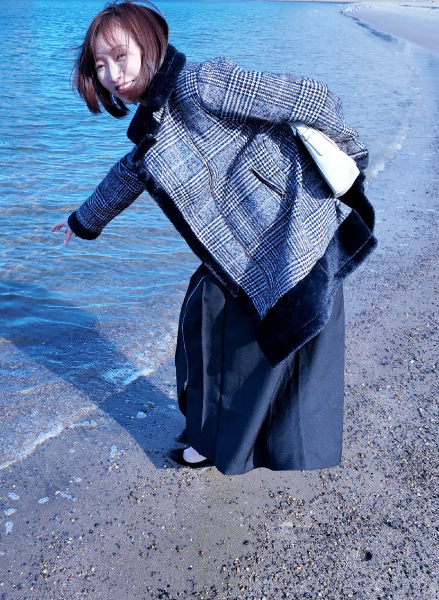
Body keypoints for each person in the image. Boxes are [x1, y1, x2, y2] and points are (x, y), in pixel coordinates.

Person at [52, 0, 376, 475]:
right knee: (206, 323)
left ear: (150, 45)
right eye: (100, 65)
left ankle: (217, 442)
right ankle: (214, 436)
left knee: (220, 327)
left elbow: (312, 97)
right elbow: (129, 175)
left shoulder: (203, 84)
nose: (112, 74)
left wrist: (350, 158)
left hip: (292, 227)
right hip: (247, 246)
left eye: (120, 56)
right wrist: (81, 221)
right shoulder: (154, 126)